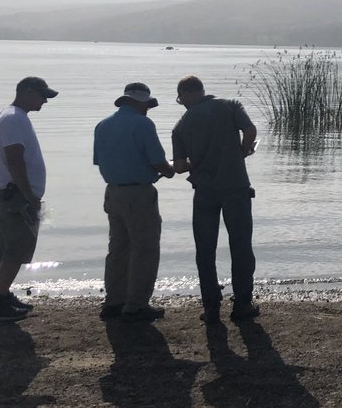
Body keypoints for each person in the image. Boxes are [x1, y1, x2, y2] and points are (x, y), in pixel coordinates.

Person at [171, 75, 259, 324]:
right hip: (236, 188)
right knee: (241, 246)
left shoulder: (180, 126)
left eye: (181, 100)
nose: (182, 104)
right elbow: (250, 130)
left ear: (186, 94)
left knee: (205, 251)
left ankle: (211, 308)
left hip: (204, 191)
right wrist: (243, 150)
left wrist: (195, 161)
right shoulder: (230, 105)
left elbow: (178, 167)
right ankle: (242, 304)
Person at [93, 82, 176, 323]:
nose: (148, 109)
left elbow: (100, 161)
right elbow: (160, 163)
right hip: (138, 194)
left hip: (112, 193)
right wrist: (172, 169)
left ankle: (114, 302)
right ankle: (137, 305)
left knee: (118, 248)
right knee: (145, 249)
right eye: (147, 105)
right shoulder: (143, 124)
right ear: (139, 103)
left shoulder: (103, 125)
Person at [0, 76, 58, 323]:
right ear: (26, 91)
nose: (45, 101)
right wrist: (29, 195)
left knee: (4, 244)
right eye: (42, 95)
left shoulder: (10, 115)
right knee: (17, 245)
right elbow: (14, 158)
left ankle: (2, 295)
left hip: (3, 190)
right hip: (14, 193)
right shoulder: (14, 118)